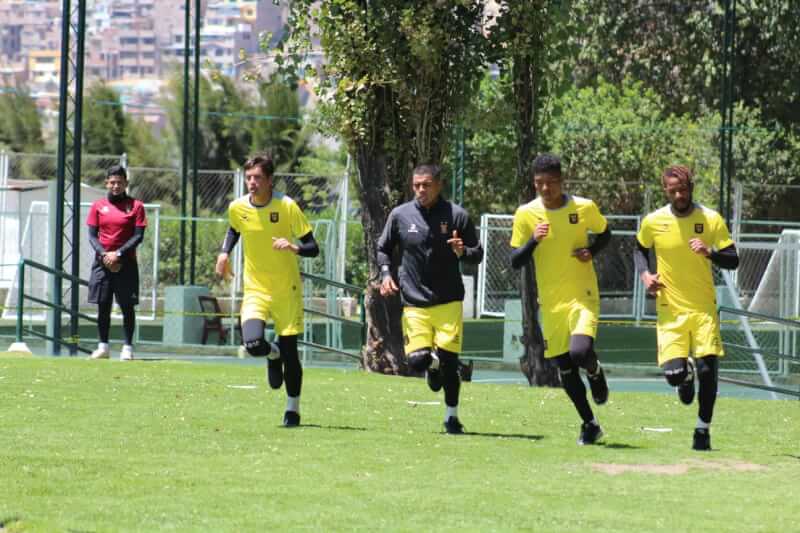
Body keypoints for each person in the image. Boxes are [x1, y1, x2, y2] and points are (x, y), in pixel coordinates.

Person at [509, 154, 612, 445]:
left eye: (551, 183)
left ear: (561, 181)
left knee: (580, 353)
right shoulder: (526, 214)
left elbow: (605, 233)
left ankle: (595, 371)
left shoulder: (583, 207)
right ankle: (590, 423)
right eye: (539, 183)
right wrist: (534, 240)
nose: (545, 189)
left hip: (583, 295)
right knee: (564, 368)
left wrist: (591, 250)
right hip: (551, 303)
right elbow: (516, 260)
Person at [635, 164, 739, 451]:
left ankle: (702, 430)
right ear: (666, 190)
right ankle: (684, 377)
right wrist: (645, 275)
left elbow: (733, 259)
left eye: (684, 189)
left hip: (703, 308)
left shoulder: (710, 219)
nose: (680, 194)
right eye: (674, 190)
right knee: (674, 376)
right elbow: (639, 248)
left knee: (709, 369)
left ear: (691, 188)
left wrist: (710, 252)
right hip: (669, 309)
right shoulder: (653, 221)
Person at [377, 164, 483, 434]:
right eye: (416, 185)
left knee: (449, 364)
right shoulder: (400, 215)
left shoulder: (457, 215)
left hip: (448, 301)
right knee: (416, 361)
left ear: (438, 185)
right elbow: (383, 249)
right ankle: (431, 366)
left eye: (426, 185)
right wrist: (387, 274)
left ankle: (451, 417)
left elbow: (477, 253)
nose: (420, 190)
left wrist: (463, 252)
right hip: (414, 302)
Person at [215, 154, 319, 428]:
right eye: (249, 177)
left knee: (291, 353)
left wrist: (293, 246)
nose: (252, 182)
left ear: (270, 180)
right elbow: (234, 229)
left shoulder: (287, 206)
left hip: (287, 290)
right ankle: (272, 355)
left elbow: (312, 246)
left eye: (258, 177)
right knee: (252, 343)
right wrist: (224, 253)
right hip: (256, 290)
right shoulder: (237, 207)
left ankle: (292, 409)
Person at [87, 165, 147, 361]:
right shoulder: (97, 206)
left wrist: (118, 254)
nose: (116, 186)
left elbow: (138, 236)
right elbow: (92, 236)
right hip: (102, 263)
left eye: (120, 182)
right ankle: (103, 347)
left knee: (126, 306)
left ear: (126, 184)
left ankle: (127, 348)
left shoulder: (136, 206)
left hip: (126, 263)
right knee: (103, 305)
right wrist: (105, 255)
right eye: (112, 182)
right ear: (106, 183)